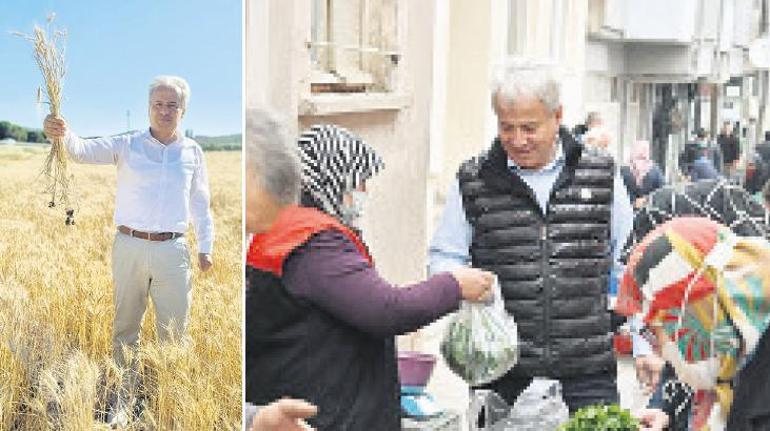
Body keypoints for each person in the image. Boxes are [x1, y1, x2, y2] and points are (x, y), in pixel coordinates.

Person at [244, 109, 495, 430]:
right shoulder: (314, 243)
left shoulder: (280, 228)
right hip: (323, 413)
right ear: (332, 176)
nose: (362, 193)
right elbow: (386, 310)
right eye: (357, 182)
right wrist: (455, 285)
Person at [428, 58, 650, 412]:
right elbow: (444, 257)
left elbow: (632, 266)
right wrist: (459, 283)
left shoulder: (601, 173)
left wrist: (644, 344)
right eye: (507, 127)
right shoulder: (474, 180)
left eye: (529, 128)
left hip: (587, 373)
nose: (518, 140)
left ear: (557, 115)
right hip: (504, 374)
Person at [43, 75, 213, 424]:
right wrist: (60, 131)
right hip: (129, 246)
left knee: (174, 332)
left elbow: (200, 202)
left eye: (172, 105)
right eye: (158, 104)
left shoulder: (192, 152)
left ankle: (169, 405)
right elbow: (80, 150)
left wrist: (205, 247)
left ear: (184, 110)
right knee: (125, 328)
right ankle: (123, 399)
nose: (164, 111)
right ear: (148, 107)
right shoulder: (128, 145)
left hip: (173, 250)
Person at [617, 217, 770, 430]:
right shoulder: (726, 344)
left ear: (702, 308)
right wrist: (665, 412)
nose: (662, 348)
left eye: (667, 325)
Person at [620, 140, 665, 209]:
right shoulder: (624, 171)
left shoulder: (655, 171)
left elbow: (662, 191)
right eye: (640, 149)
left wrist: (646, 200)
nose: (642, 152)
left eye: (645, 149)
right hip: (628, 211)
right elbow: (619, 193)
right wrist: (633, 202)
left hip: (649, 212)